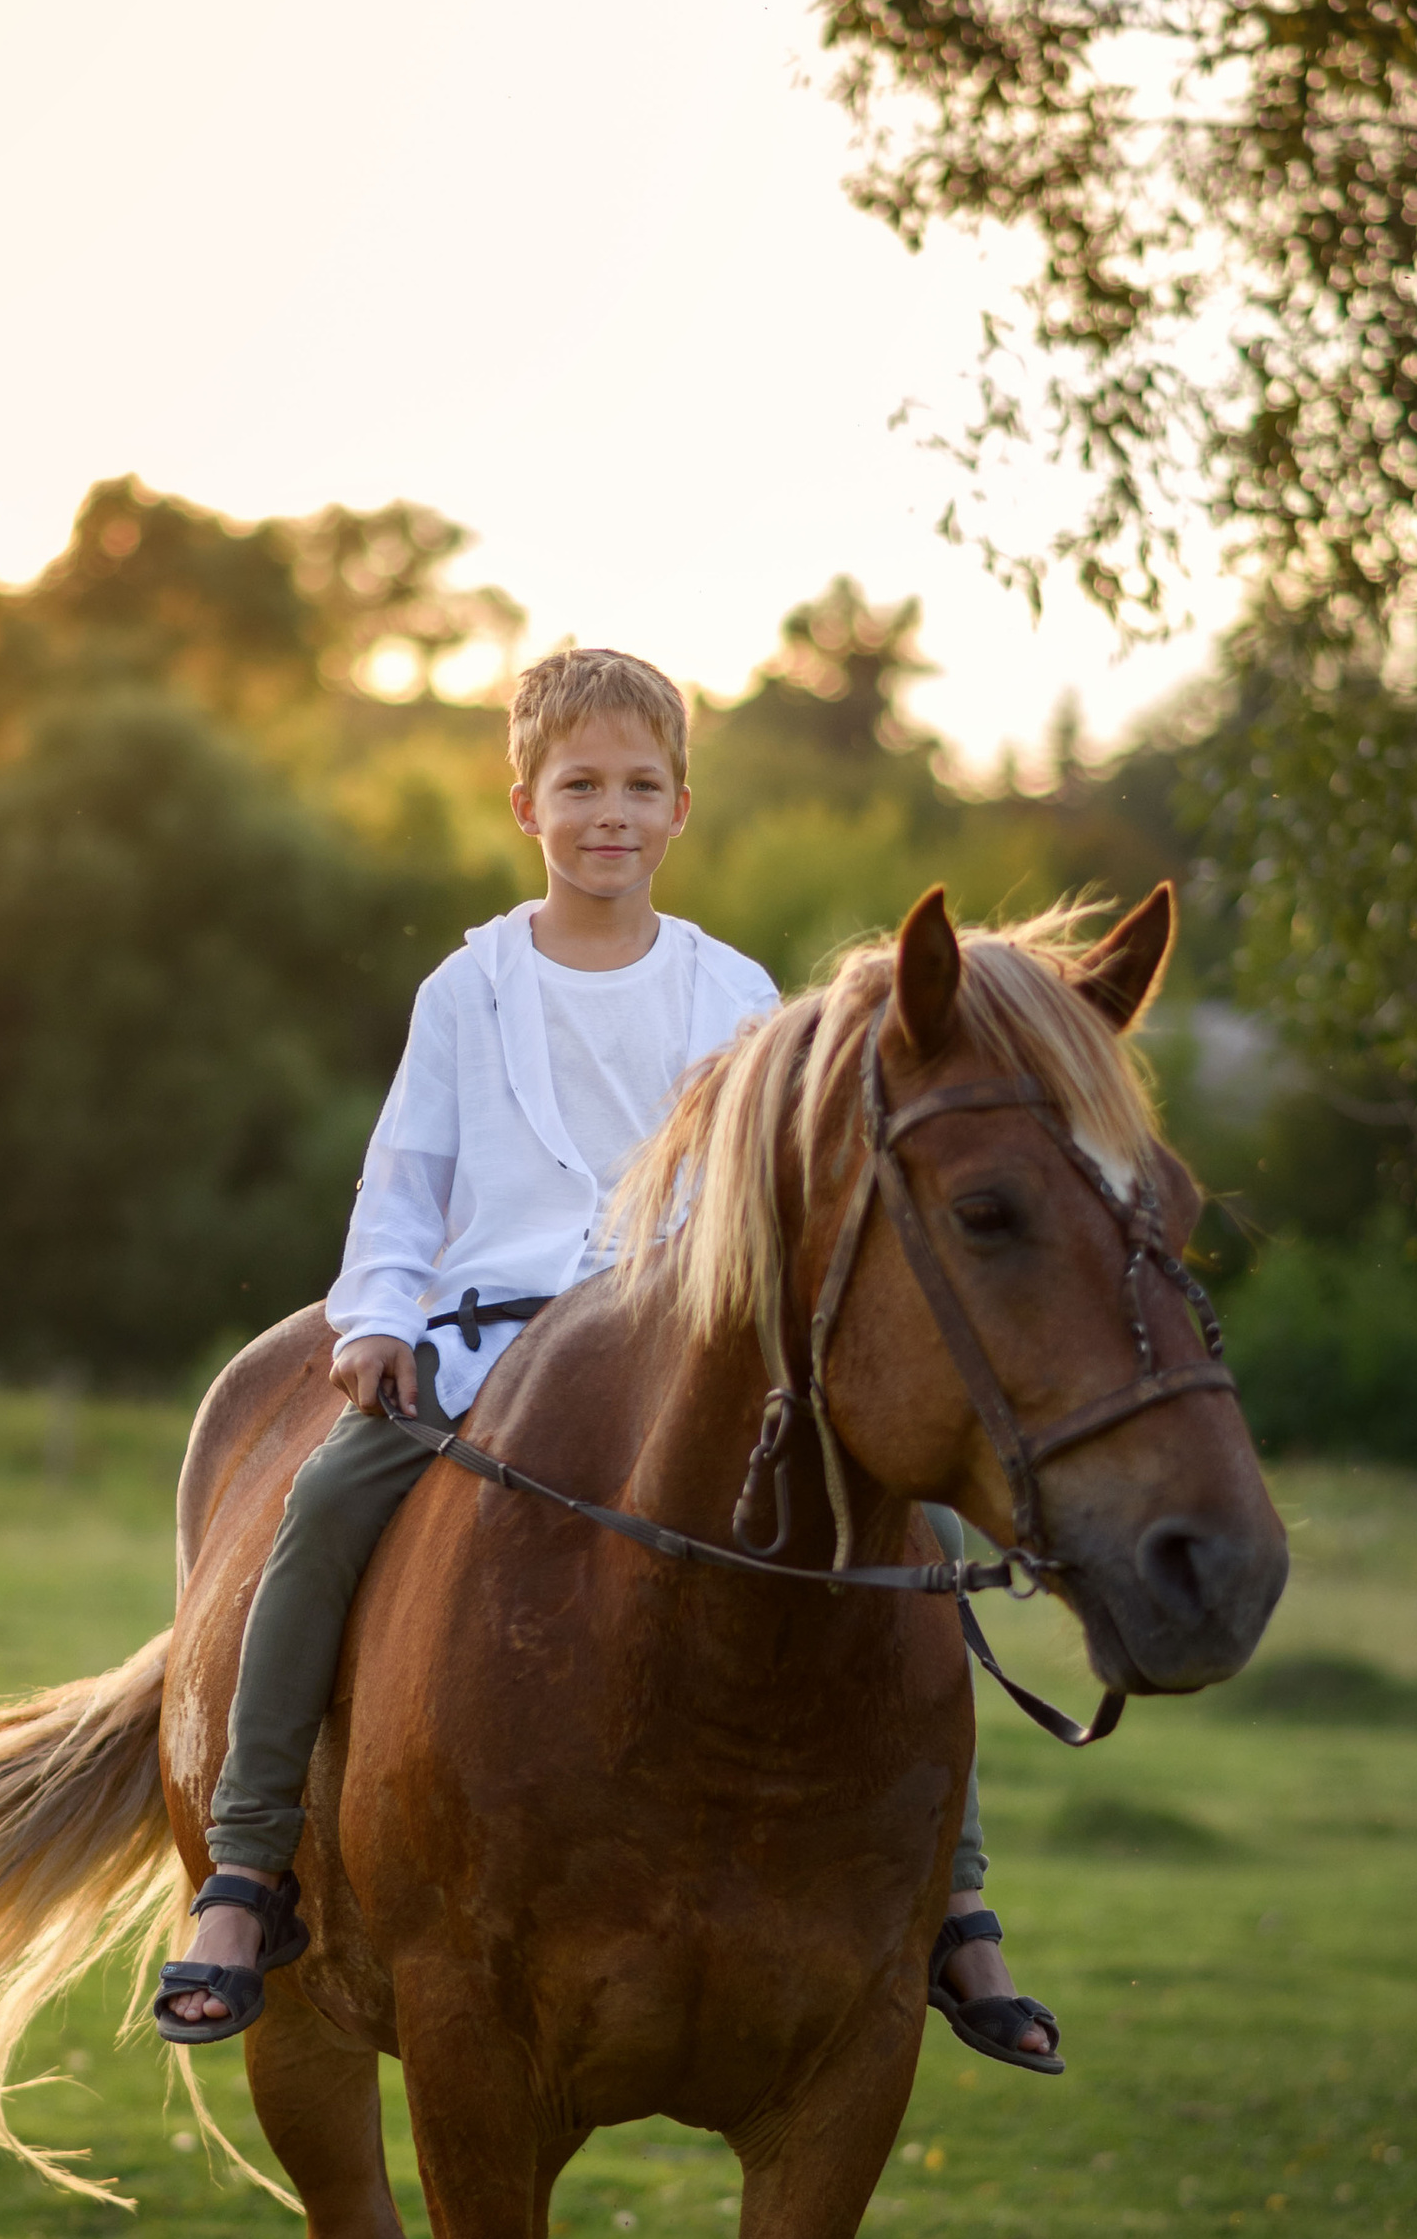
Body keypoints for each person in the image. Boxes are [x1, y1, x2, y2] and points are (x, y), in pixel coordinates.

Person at [152, 645, 1059, 2072]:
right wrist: (378, 1321)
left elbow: (772, 1196)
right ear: (528, 804)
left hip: (680, 1343)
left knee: (914, 1519)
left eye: (641, 785)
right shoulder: (469, 991)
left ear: (681, 807)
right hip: (488, 1341)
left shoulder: (732, 991)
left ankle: (954, 1901)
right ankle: (245, 1873)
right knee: (324, 1510)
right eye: (580, 785)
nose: (610, 812)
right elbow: (407, 1176)